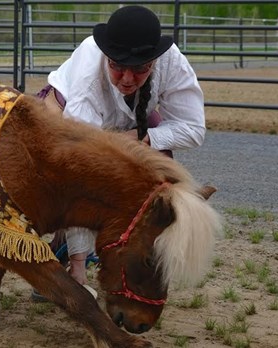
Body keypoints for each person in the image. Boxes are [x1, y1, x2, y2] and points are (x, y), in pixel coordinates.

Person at [37, 5, 207, 296]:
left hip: (132, 122)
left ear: (155, 59)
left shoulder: (172, 61)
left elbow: (194, 129)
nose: (128, 79)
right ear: (105, 57)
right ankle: (72, 262)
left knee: (157, 173)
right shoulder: (88, 81)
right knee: (71, 182)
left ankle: (135, 244)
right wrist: (78, 275)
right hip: (66, 117)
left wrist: (144, 138)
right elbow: (82, 170)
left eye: (140, 68)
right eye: (117, 66)